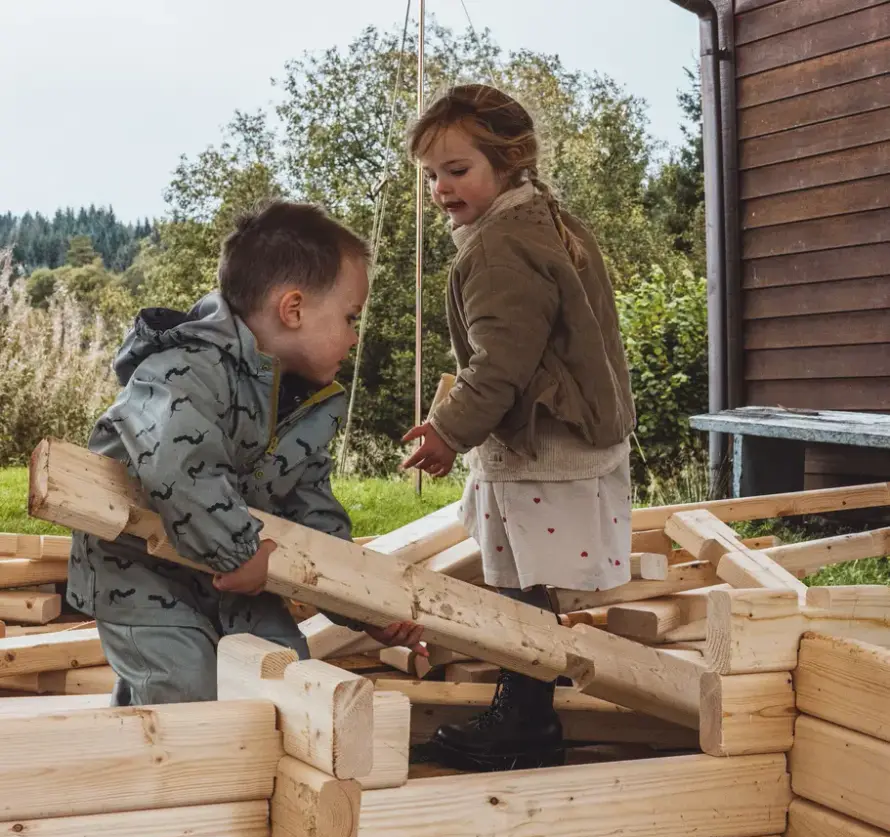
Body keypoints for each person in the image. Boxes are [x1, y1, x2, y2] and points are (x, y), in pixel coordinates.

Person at [67, 200, 423, 706]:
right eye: (350, 317)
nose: (354, 335)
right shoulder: (184, 370)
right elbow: (179, 463)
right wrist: (239, 551)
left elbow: (315, 516)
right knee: (183, 686)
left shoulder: (310, 405)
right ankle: (161, 772)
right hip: (143, 571)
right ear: (293, 309)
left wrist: (368, 610)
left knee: (285, 675)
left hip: (238, 572)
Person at [402, 84, 636, 771]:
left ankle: (525, 719)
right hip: (567, 432)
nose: (442, 189)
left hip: (543, 443)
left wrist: (448, 429)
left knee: (522, 583)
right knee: (529, 580)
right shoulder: (542, 222)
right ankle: (532, 694)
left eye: (457, 170)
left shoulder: (503, 247)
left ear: (510, 162)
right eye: (432, 175)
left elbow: (499, 363)